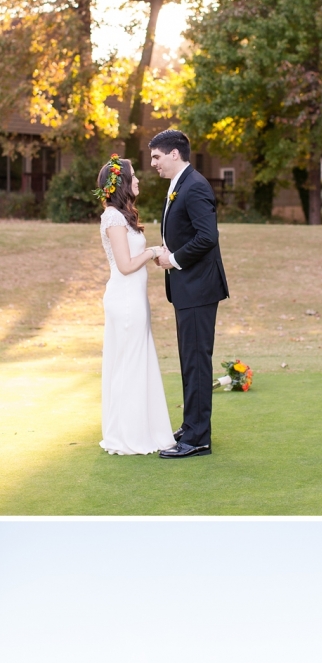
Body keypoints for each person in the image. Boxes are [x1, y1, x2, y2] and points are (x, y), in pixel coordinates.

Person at [149, 129, 229, 457]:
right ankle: (192, 425)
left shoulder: (194, 186)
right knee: (189, 361)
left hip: (198, 288)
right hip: (187, 288)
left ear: (174, 154)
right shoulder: (179, 184)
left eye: (156, 156)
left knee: (196, 362)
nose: (152, 163)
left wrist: (174, 258)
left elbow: (208, 236)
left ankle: (197, 439)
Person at [96, 156, 175, 456]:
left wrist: (156, 251)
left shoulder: (123, 216)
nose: (139, 180)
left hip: (134, 298)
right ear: (121, 183)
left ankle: (145, 429)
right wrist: (153, 250)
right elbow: (126, 265)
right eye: (134, 176)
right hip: (125, 300)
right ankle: (128, 435)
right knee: (128, 365)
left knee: (137, 362)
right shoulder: (112, 218)